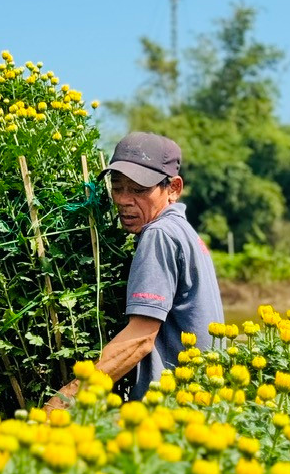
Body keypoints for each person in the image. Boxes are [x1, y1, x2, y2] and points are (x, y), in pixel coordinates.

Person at [46, 131, 223, 409]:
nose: (124, 200)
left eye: (139, 190)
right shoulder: (184, 231)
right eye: (118, 187)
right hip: (200, 404)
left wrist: (67, 398)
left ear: (173, 188)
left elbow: (140, 339)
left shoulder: (160, 234)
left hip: (172, 412)